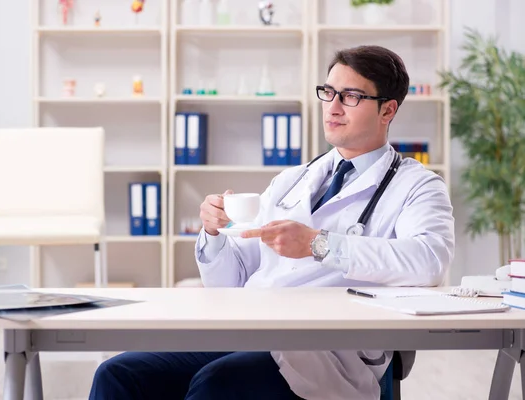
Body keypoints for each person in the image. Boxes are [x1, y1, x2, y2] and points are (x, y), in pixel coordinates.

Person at [88, 45, 455, 400]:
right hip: (250, 331)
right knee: (119, 375)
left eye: (351, 96)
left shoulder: (417, 185)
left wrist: (318, 244)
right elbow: (232, 279)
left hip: (324, 353)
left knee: (220, 383)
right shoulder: (294, 179)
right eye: (329, 92)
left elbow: (429, 261)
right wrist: (215, 234)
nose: (334, 107)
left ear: (388, 110)